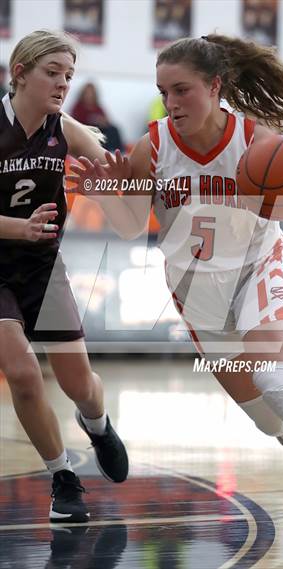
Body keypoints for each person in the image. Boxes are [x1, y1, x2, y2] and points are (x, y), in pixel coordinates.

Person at [69, 35, 283, 550]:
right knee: (275, 424)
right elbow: (134, 225)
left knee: (273, 376)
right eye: (164, 91)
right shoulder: (153, 146)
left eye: (182, 90)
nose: (172, 101)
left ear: (215, 85)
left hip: (256, 269)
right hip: (197, 294)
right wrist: (107, 190)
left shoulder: (260, 141)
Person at [0, 30, 129, 524]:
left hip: (42, 267)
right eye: (52, 72)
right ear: (20, 73)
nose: (62, 84)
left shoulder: (64, 128)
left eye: (68, 75)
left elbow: (117, 173)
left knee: (80, 383)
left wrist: (119, 181)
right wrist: (19, 227)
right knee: (22, 373)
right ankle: (62, 476)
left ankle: (97, 424)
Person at [71, 82, 124, 152]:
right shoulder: (78, 107)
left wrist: (102, 121)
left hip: (100, 129)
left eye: (91, 93)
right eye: (87, 93)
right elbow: (75, 122)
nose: (89, 95)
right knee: (97, 132)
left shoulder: (98, 107)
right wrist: (92, 120)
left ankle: (117, 151)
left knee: (113, 129)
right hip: (86, 130)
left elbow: (106, 120)